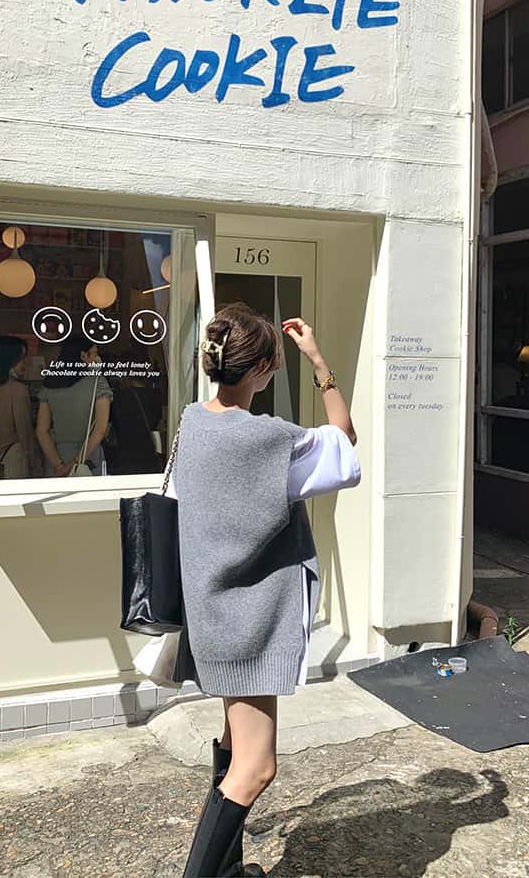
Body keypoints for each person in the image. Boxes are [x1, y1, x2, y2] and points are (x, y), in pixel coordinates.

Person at [173, 302, 360, 878]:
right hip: (252, 621)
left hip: (209, 615)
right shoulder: (271, 440)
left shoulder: (191, 422)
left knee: (235, 747)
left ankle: (228, 871)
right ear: (262, 369)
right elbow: (345, 445)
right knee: (256, 768)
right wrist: (320, 364)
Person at [36, 335, 113, 477]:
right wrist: (74, 463)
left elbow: (41, 430)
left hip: (56, 454)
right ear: (83, 356)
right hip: (88, 456)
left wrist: (59, 465)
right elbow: (100, 430)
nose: (97, 358)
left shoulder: (49, 385)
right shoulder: (98, 383)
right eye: (94, 353)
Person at [0, 335, 42, 479]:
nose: (25, 364)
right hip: (11, 459)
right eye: (21, 358)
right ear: (8, 359)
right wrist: (35, 466)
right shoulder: (17, 389)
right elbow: (25, 432)